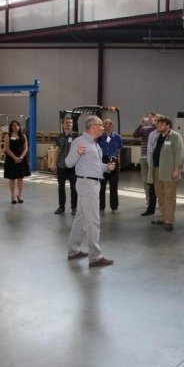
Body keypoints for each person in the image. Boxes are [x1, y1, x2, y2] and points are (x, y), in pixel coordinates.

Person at [65, 115, 115, 268]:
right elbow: (68, 163)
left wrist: (106, 167)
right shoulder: (80, 142)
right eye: (100, 125)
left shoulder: (94, 143)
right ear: (93, 126)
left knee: (81, 218)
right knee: (93, 220)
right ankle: (95, 257)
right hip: (87, 184)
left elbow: (94, 165)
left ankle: (73, 250)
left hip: (92, 183)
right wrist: (77, 153)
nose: (103, 128)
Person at [147, 116, 184, 231]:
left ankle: (169, 220)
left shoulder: (175, 137)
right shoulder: (157, 137)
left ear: (168, 125)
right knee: (160, 195)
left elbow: (179, 154)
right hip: (156, 170)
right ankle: (163, 217)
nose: (158, 126)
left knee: (169, 196)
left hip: (169, 170)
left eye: (161, 124)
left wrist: (177, 169)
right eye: (158, 124)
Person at [51, 115, 78, 215]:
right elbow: (56, 151)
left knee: (74, 188)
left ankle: (74, 207)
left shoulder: (76, 136)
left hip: (73, 166)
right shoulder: (59, 137)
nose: (69, 124)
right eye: (67, 123)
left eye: (70, 123)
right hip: (61, 165)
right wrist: (54, 164)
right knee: (61, 187)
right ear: (62, 124)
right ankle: (61, 207)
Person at [133, 112, 157, 214]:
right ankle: (148, 200)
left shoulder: (157, 128)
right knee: (145, 180)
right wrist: (140, 124)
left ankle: (156, 199)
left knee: (155, 179)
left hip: (154, 157)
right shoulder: (144, 128)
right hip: (144, 157)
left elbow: (159, 130)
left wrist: (154, 123)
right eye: (149, 117)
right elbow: (135, 135)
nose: (149, 119)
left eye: (152, 117)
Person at [98, 118, 123, 214]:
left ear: (112, 125)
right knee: (102, 186)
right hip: (103, 161)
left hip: (113, 161)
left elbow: (119, 151)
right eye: (105, 124)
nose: (107, 126)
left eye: (109, 124)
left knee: (113, 186)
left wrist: (118, 164)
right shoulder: (99, 137)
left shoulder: (117, 137)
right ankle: (101, 207)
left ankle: (114, 207)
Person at [3, 120, 31, 204]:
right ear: (11, 127)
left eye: (17, 125)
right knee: (12, 178)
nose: (15, 127)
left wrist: (21, 157)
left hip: (21, 159)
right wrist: (14, 158)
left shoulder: (23, 136)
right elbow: (7, 148)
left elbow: (25, 148)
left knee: (20, 178)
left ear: (19, 126)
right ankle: (13, 196)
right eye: (13, 125)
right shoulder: (8, 136)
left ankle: (20, 195)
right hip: (11, 159)